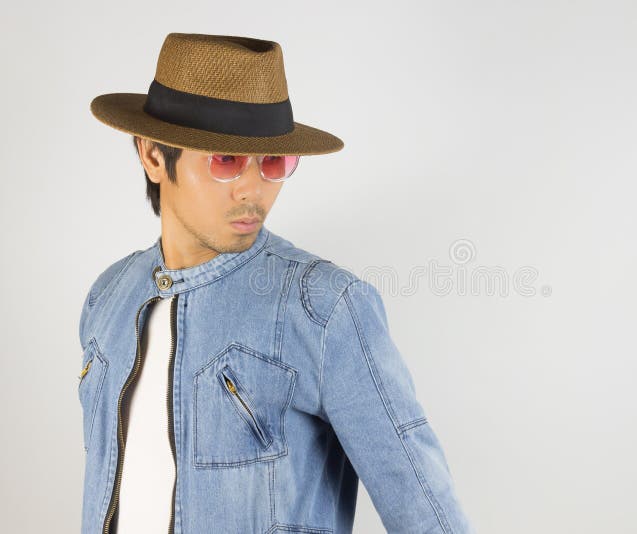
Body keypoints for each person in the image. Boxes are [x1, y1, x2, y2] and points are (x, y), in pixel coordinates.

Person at [78, 32, 474, 534]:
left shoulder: (324, 307)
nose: (254, 189)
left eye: (273, 162)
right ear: (154, 156)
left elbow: (427, 514)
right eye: (225, 161)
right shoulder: (108, 298)